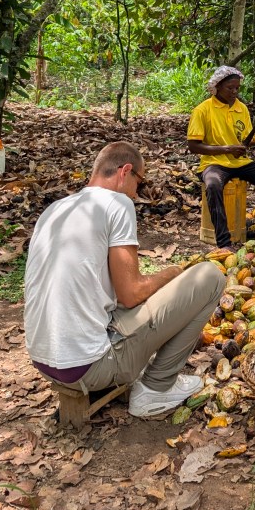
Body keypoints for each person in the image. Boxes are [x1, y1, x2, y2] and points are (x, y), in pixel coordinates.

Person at [24, 141, 225, 418]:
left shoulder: (56, 209)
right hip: (89, 367)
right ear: (125, 171)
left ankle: (131, 365)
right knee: (210, 277)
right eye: (139, 183)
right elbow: (130, 294)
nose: (136, 193)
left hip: (44, 361)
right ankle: (156, 388)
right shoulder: (117, 203)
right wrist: (171, 274)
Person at [187, 66, 255, 247]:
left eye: (237, 88)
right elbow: (193, 146)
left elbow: (244, 139)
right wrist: (227, 149)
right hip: (214, 163)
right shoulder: (202, 110)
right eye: (230, 88)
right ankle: (224, 242)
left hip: (240, 163)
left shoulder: (241, 108)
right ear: (217, 86)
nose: (234, 92)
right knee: (213, 185)